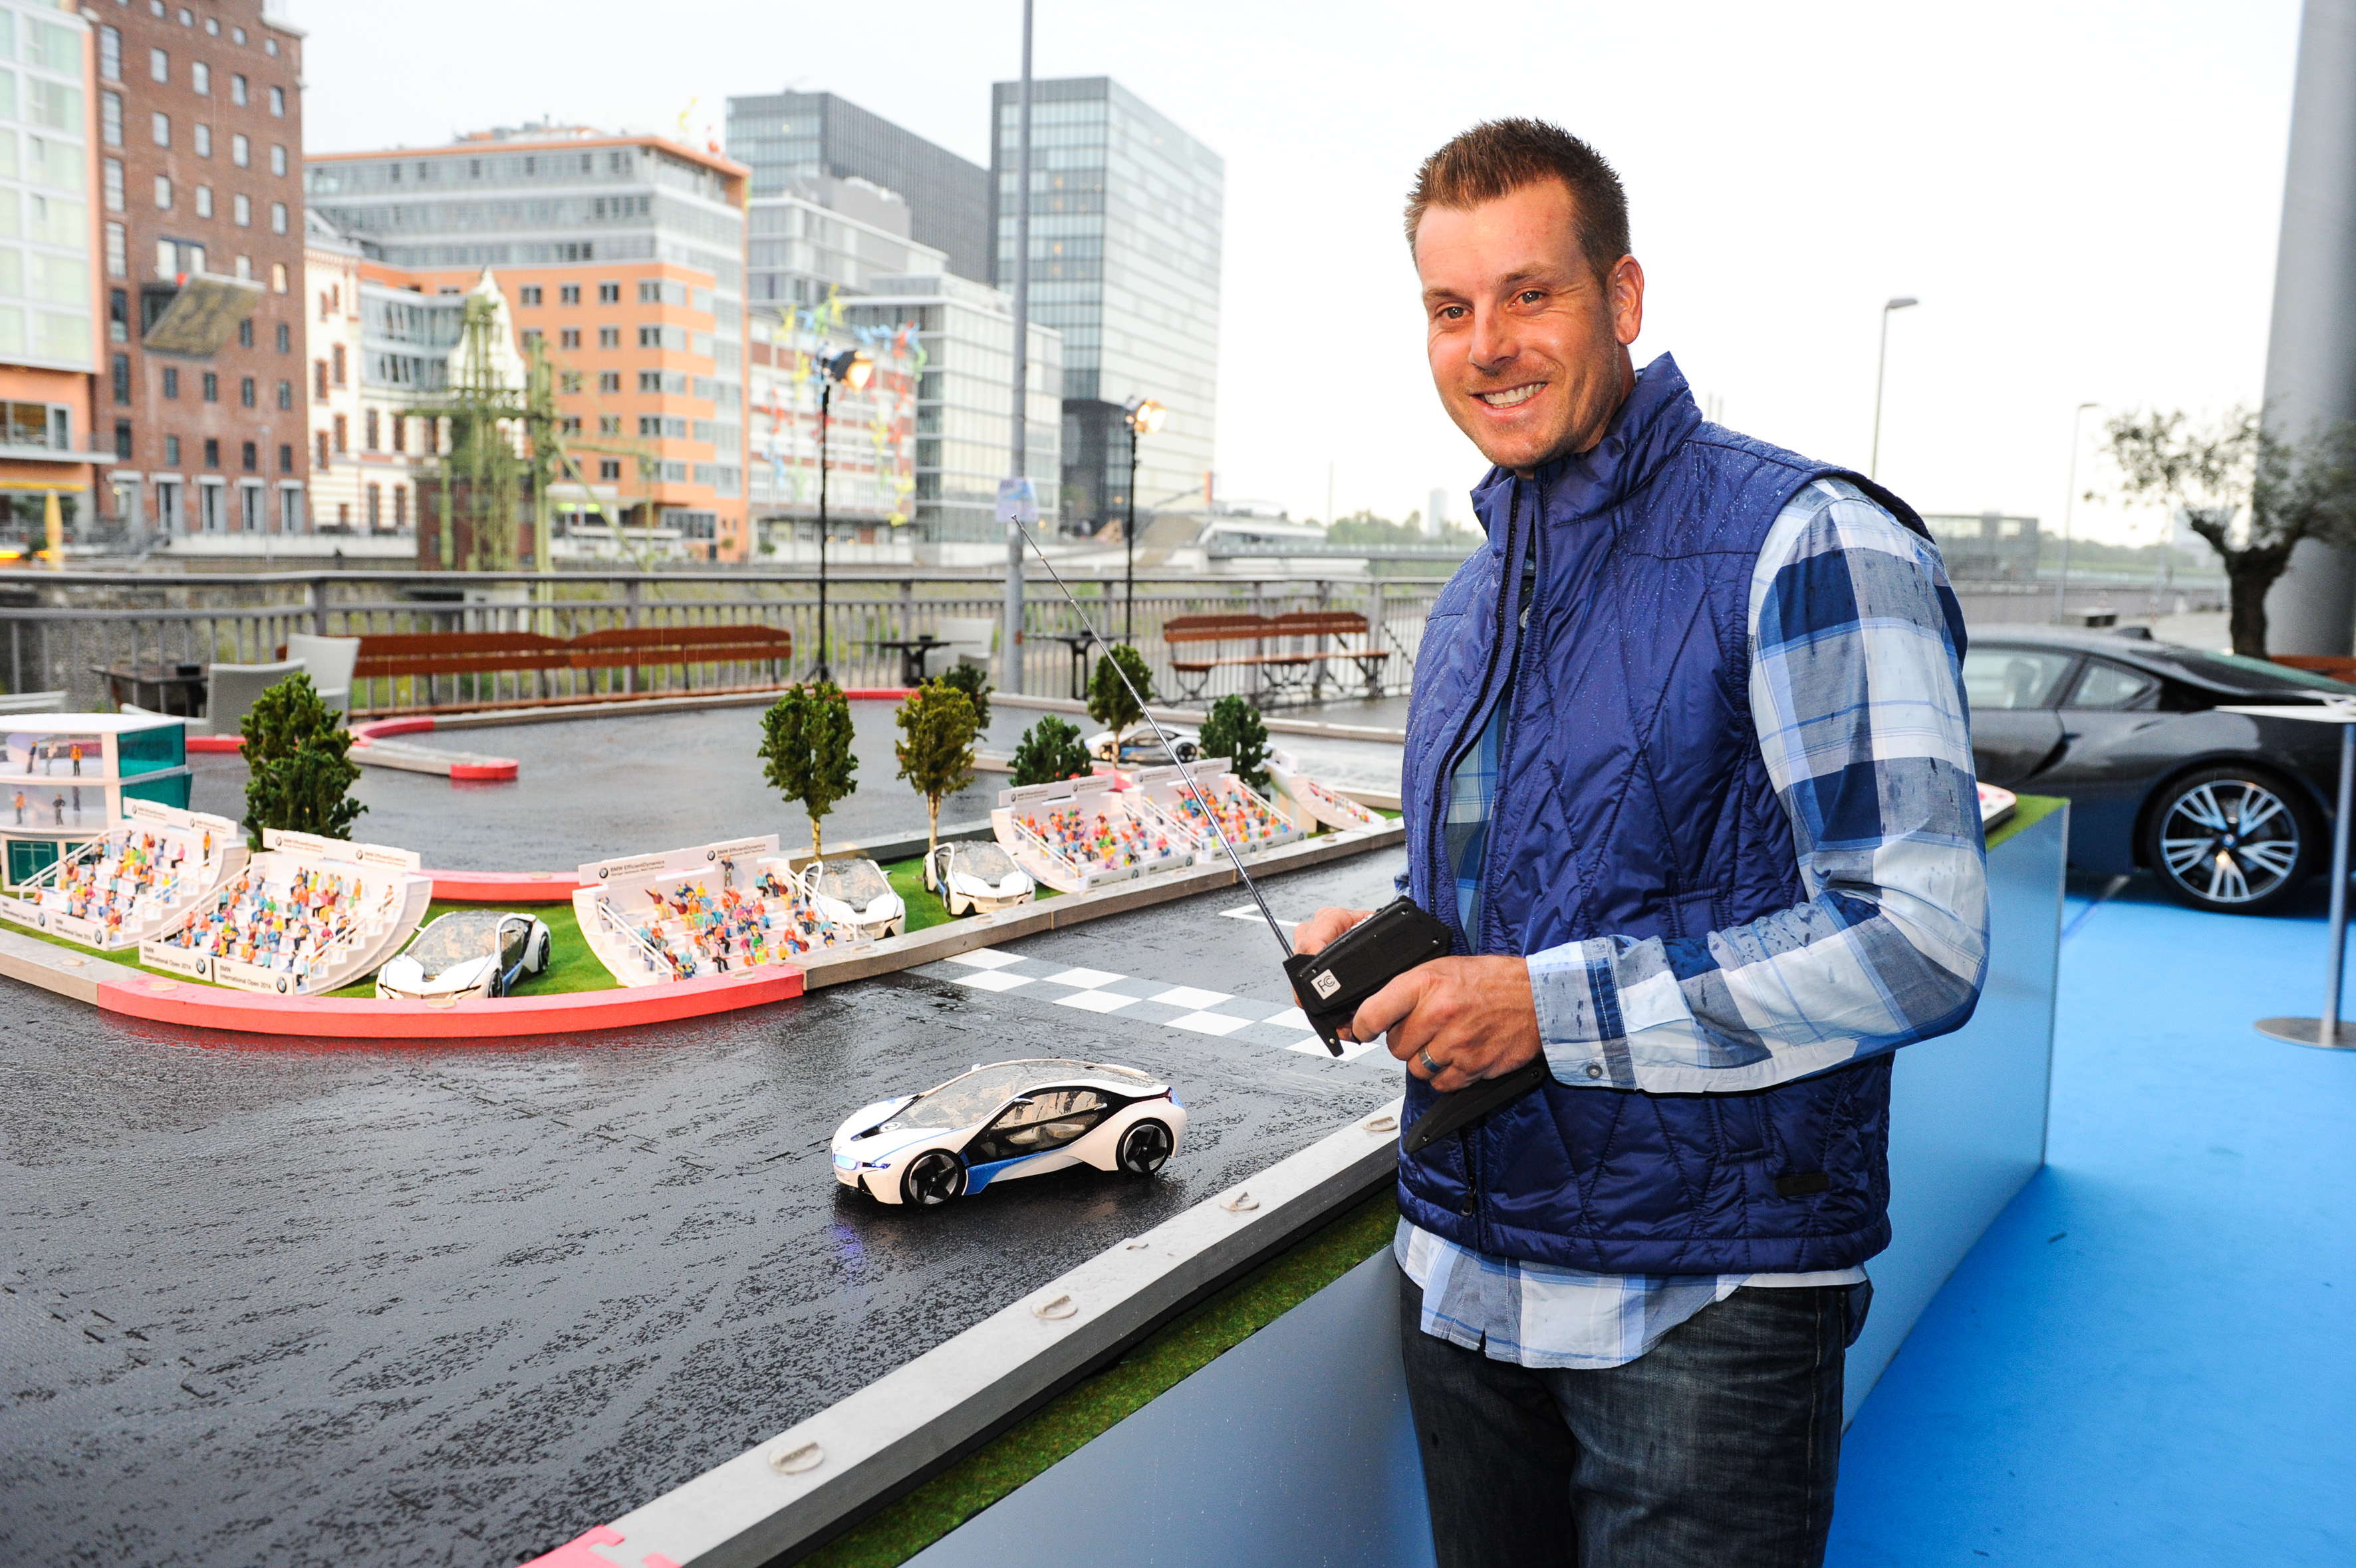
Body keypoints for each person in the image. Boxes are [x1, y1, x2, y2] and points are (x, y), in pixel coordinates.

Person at [1295, 120, 1987, 1567]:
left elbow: (1916, 940)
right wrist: (1399, 947)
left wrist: (1540, 1009)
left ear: (1620, 298)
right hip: (1462, 1278)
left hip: (1702, 1308)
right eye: (1448, 308)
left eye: (1528, 293)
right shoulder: (1472, 600)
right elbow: (1523, 885)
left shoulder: (1806, 539)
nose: (1487, 344)